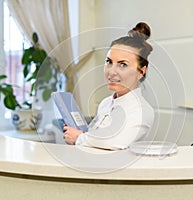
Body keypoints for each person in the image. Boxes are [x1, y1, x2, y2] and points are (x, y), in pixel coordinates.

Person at [63, 22, 155, 150]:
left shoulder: (142, 111)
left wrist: (79, 138)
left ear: (141, 71)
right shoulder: (105, 104)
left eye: (123, 64)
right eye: (109, 62)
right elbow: (94, 139)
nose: (112, 72)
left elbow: (115, 141)